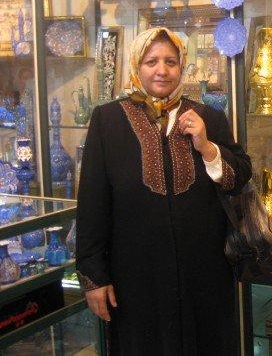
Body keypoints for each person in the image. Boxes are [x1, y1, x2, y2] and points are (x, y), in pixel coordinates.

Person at [76, 27, 252, 355]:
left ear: (182, 67)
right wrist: (94, 276)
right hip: (136, 277)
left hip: (205, 273)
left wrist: (207, 146)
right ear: (136, 66)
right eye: (151, 61)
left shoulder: (208, 116)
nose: (162, 70)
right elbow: (92, 203)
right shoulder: (108, 120)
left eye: (171, 61)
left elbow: (239, 176)